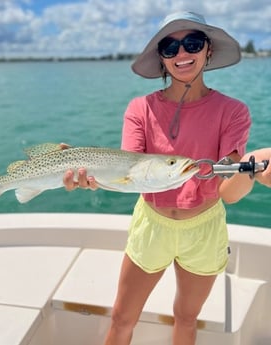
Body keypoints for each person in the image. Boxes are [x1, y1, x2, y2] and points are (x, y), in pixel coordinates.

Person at [63, 11, 271, 345]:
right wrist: (89, 178)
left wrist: (252, 166)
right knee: (121, 318)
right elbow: (126, 175)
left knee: (187, 320)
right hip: (152, 225)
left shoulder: (233, 112)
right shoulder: (139, 109)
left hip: (204, 229)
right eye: (170, 47)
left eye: (192, 43)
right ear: (161, 58)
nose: (182, 54)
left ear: (208, 51)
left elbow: (227, 193)